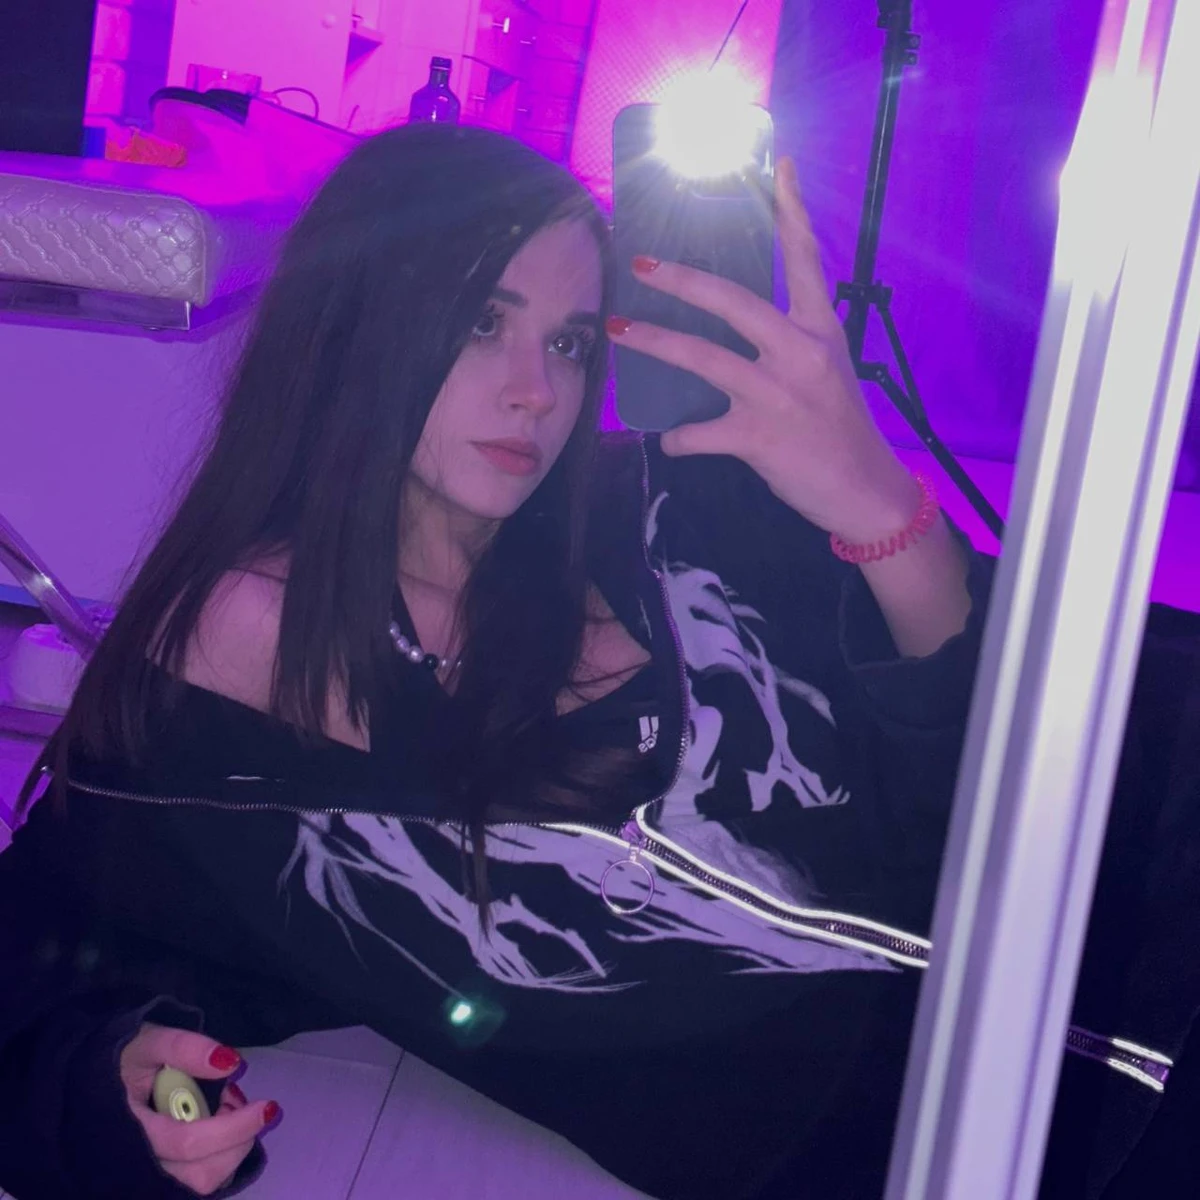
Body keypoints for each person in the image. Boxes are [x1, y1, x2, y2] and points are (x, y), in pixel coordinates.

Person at [0, 124, 1187, 1200]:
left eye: (569, 342)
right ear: (353, 325)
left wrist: (878, 500)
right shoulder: (221, 698)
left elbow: (1018, 738)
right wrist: (112, 1091)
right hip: (997, 1150)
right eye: (483, 322)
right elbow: (38, 963)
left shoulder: (676, 502)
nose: (538, 392)